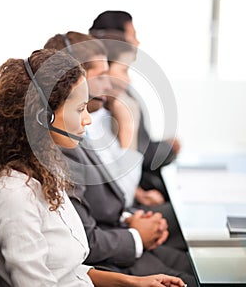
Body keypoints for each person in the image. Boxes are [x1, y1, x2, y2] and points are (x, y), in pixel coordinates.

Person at [0, 48, 186, 287]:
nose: (88, 119)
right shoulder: (15, 194)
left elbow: (68, 271)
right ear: (43, 117)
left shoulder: (44, 171)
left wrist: (134, 283)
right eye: (80, 109)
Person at [43, 33, 197, 286]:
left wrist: (130, 220)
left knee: (193, 266)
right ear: (71, 78)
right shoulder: (63, 145)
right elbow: (83, 238)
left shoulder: (82, 130)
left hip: (120, 229)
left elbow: (107, 198)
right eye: (101, 75)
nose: (110, 84)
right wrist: (135, 233)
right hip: (111, 255)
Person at [89, 10, 181, 198]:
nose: (137, 42)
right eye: (133, 35)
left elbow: (115, 176)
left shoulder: (112, 104)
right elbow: (121, 190)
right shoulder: (94, 119)